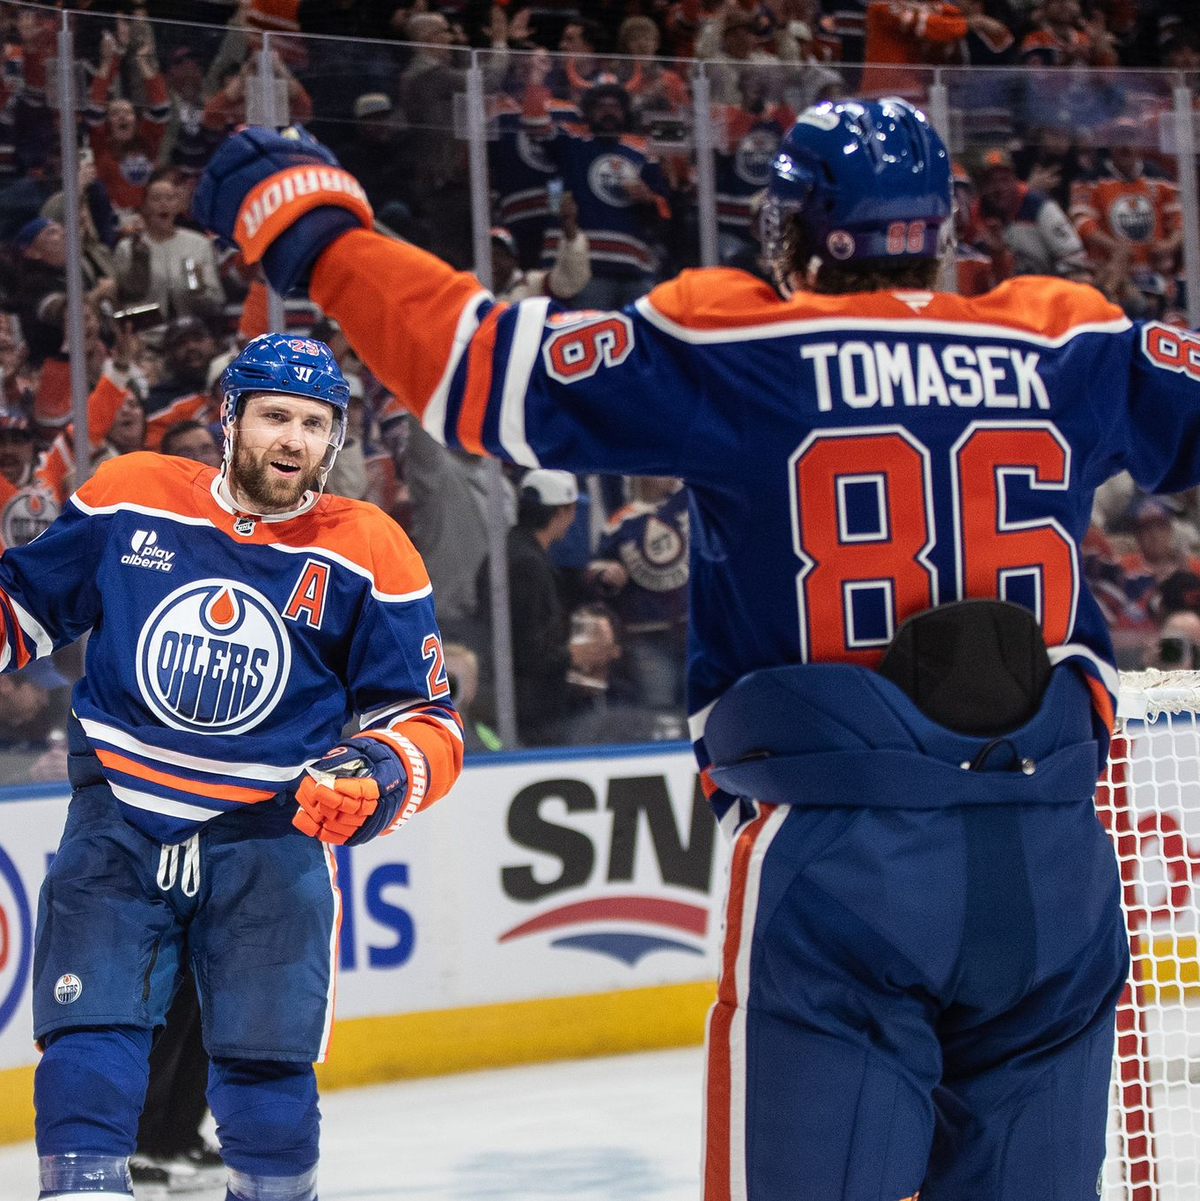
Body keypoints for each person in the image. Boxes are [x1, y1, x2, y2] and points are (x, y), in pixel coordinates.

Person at [193, 97, 1200, 1198]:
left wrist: (311, 222)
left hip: (847, 860)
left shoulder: (739, 337)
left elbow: (473, 366)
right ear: (939, 223)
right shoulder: (1073, 333)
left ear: (803, 226)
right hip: (1055, 853)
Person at [0, 331, 463, 1201]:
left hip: (269, 837)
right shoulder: (130, 494)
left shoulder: (371, 548)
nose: (294, 439)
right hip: (121, 820)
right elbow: (23, 606)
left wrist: (379, 772)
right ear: (230, 419)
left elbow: (428, 722)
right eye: (275, 416)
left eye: (316, 423)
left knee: (267, 1084)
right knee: (87, 1045)